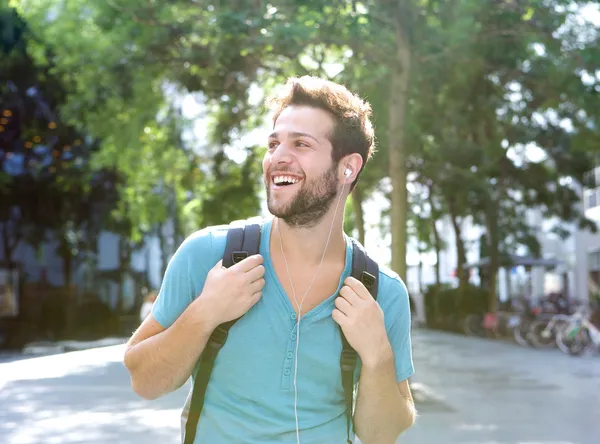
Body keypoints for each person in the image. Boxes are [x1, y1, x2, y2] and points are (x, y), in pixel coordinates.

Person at [123, 76, 416, 444]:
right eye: (274, 143)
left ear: (348, 168)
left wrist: (377, 355)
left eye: (301, 144)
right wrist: (205, 312)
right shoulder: (209, 256)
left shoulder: (381, 292)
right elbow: (144, 382)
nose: (278, 156)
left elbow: (382, 435)